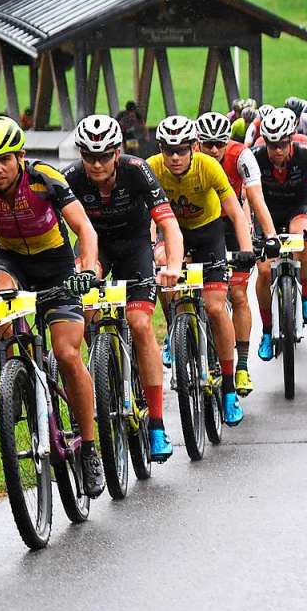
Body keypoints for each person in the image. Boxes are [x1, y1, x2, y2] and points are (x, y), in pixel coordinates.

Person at [0, 116, 106, 497]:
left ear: (20, 156)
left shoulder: (44, 178)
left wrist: (86, 271)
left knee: (68, 354)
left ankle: (89, 448)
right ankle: (15, 372)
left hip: (57, 266)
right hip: (11, 262)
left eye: (4, 159)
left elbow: (85, 230)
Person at [62, 115, 184, 461]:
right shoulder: (70, 178)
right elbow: (54, 233)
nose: (97, 164)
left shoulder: (137, 170)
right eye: (89, 156)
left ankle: (157, 423)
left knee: (141, 324)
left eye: (104, 156)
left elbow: (169, 224)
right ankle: (104, 370)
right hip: (94, 249)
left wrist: (173, 265)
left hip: (134, 249)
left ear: (117, 153)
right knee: (82, 312)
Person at [147, 115, 256, 427]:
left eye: (182, 150)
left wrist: (246, 249)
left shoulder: (208, 165)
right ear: (160, 150)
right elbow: (144, 216)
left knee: (215, 307)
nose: (176, 157)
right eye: (169, 151)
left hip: (209, 232)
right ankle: (174, 333)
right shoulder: (151, 167)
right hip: (172, 231)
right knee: (164, 271)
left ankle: (229, 388)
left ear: (194, 147)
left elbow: (234, 209)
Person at [194, 110, 279, 397]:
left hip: (234, 225)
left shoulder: (241, 156)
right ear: (197, 144)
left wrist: (269, 236)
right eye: (208, 144)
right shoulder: (188, 161)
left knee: (239, 294)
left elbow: (256, 198)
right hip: (200, 227)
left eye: (220, 143)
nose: (215, 150)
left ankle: (241, 365)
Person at [253, 109, 307, 361]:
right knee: (265, 271)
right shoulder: (256, 157)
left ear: (291, 139)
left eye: (282, 143)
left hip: (297, 208)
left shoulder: (306, 155)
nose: (277, 150)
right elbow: (247, 196)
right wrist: (251, 231)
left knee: (302, 237)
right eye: (272, 144)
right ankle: (268, 332)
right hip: (267, 213)